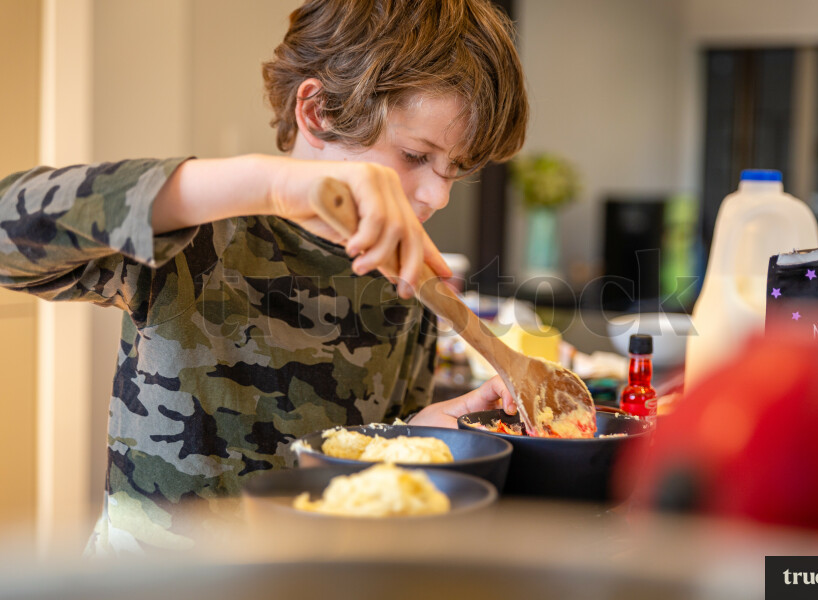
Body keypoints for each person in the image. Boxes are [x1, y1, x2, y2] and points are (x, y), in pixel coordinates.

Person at [0, 0, 528, 554]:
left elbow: (351, 482)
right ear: (318, 111)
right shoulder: (199, 232)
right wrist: (274, 185)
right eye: (417, 155)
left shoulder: (408, 278)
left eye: (456, 171)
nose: (437, 196)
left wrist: (412, 438)